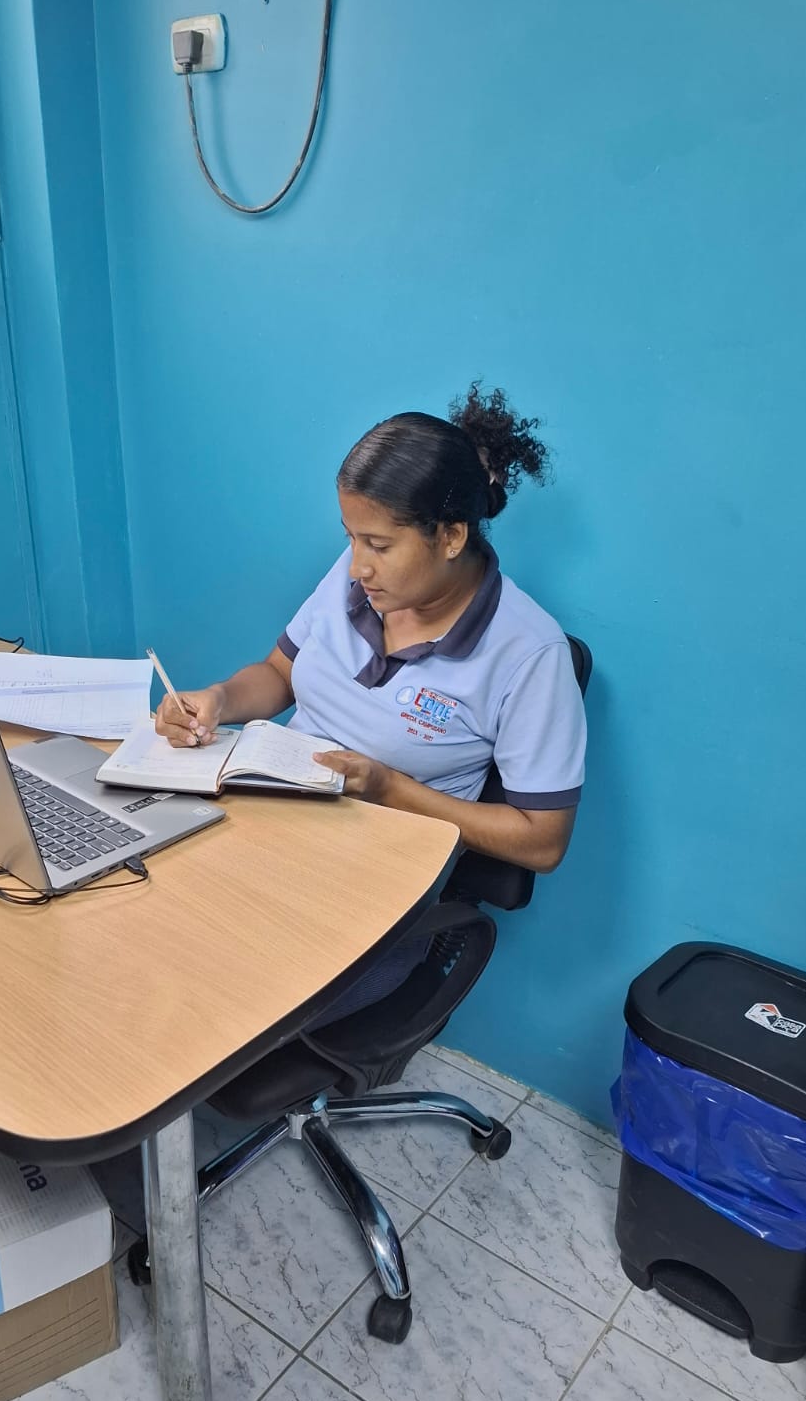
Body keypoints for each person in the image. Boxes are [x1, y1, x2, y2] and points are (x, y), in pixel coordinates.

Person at [156, 382, 587, 1022]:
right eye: (351, 538)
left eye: (379, 545)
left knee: (198, 998)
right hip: (264, 835)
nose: (358, 565)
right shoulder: (357, 577)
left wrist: (390, 788)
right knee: (134, 917)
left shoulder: (528, 653)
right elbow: (277, 674)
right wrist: (217, 699)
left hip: (370, 897)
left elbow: (543, 843)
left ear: (450, 536)